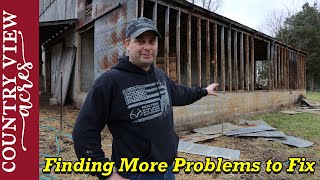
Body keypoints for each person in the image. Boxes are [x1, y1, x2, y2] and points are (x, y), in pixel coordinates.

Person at [72, 17, 219, 180]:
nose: (147, 47)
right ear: (127, 44)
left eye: (152, 41)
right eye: (140, 41)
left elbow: (181, 94)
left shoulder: (160, 76)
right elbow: (84, 132)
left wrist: (204, 91)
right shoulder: (109, 82)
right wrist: (107, 174)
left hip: (167, 170)